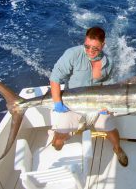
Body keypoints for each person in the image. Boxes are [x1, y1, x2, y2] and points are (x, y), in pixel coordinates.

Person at [49, 26, 128, 167]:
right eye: (87, 46)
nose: (90, 51)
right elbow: (55, 78)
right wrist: (57, 103)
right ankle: (58, 139)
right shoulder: (72, 54)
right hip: (72, 104)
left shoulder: (108, 62)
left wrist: (108, 105)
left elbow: (110, 86)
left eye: (95, 48)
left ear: (103, 45)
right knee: (60, 136)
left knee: (109, 127)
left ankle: (117, 148)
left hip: (98, 104)